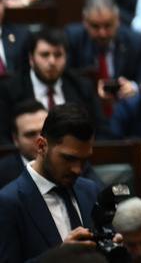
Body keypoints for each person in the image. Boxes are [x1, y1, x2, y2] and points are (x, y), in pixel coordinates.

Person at [0, 104, 104, 262]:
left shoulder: (90, 190)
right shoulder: (8, 202)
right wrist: (59, 257)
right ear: (41, 146)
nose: (78, 169)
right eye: (69, 158)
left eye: (84, 160)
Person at [0, 30, 108, 138]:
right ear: (31, 59)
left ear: (66, 58)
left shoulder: (82, 87)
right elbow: (3, 137)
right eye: (45, 55)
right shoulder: (9, 90)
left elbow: (101, 132)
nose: (52, 61)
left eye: (58, 55)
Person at [64, 0, 141, 106]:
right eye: (95, 26)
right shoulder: (72, 38)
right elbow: (66, 79)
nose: (102, 33)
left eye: (108, 25)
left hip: (125, 106)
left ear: (118, 20)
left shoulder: (136, 42)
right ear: (85, 21)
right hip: (85, 107)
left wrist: (134, 87)